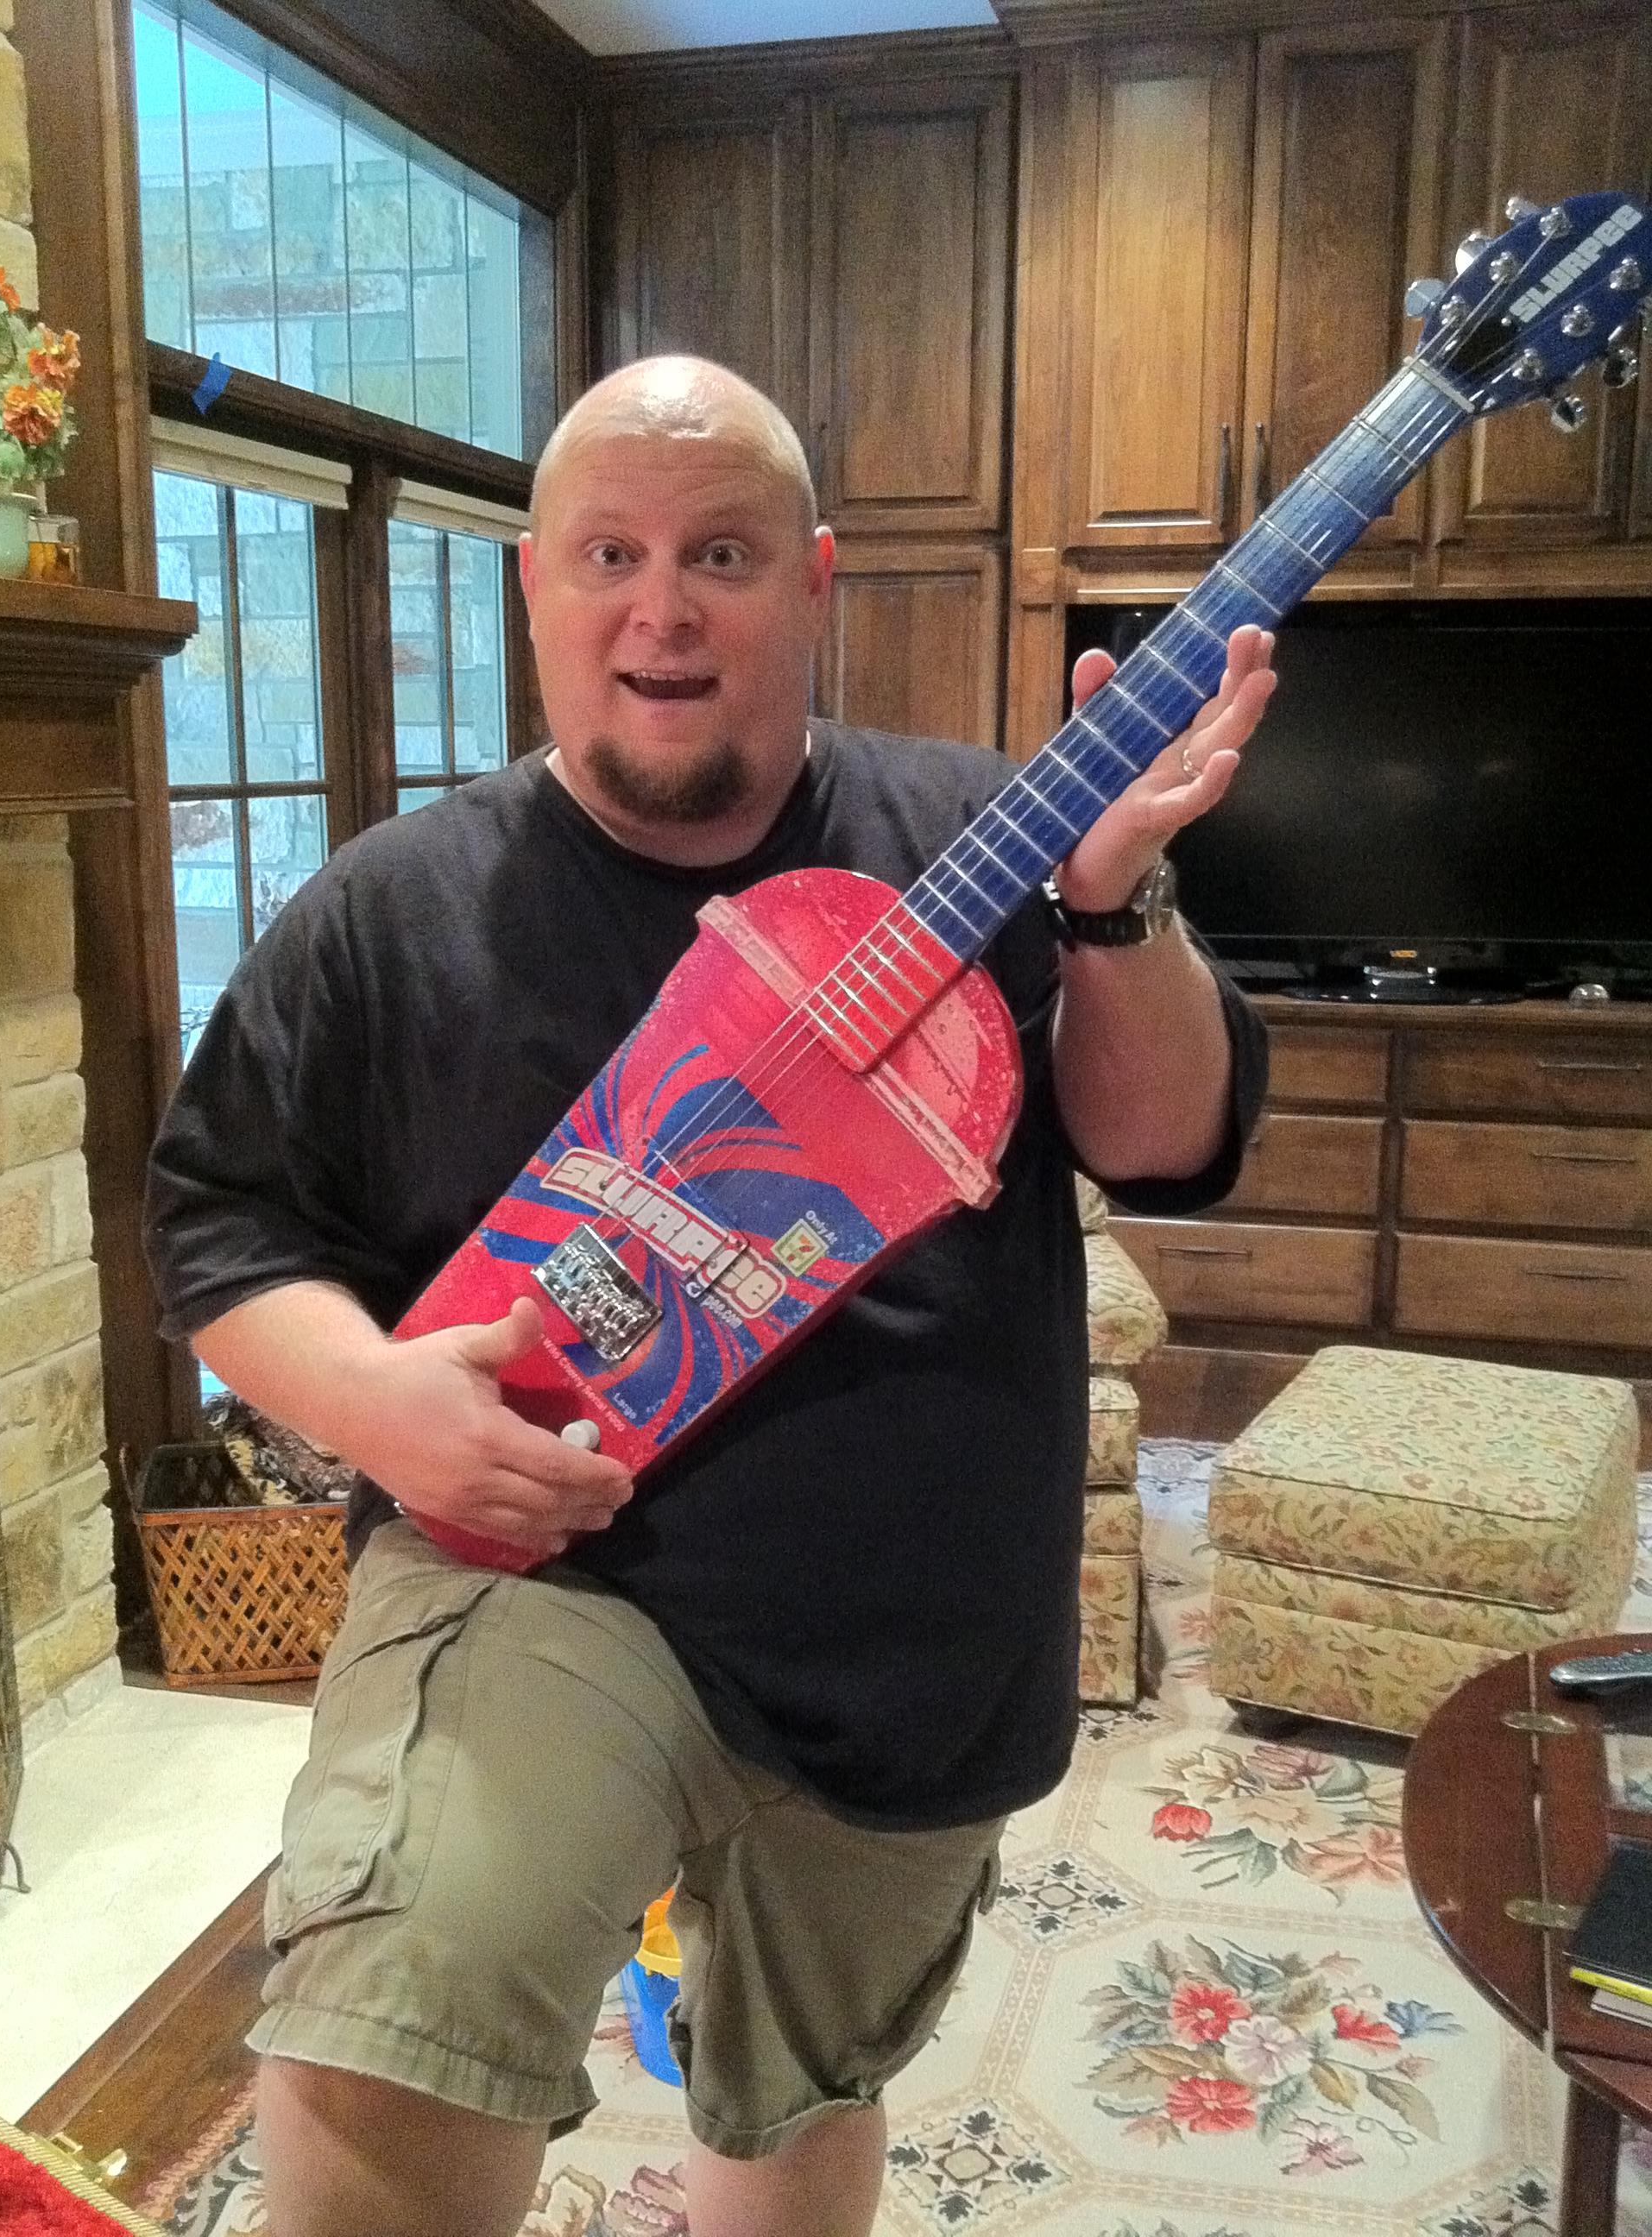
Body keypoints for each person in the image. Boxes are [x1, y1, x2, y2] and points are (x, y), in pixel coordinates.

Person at [143, 355, 1272, 2237]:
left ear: (815, 581)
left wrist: (1105, 907)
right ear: (537, 590)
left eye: (722, 554)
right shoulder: (385, 908)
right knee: (394, 2015)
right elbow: (221, 1230)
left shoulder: (989, 835)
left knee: (790, 2097)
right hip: (549, 1572)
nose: (658, 607)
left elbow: (1160, 1144)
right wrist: (378, 1402)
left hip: (917, 1620)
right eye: (608, 553)